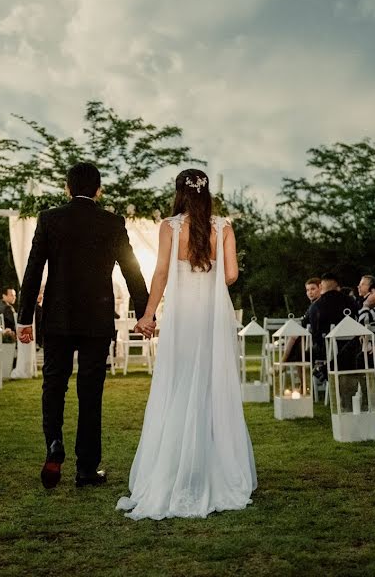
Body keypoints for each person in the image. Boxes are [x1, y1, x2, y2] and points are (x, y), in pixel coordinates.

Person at [117, 168, 256, 521]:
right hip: (211, 315)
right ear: (207, 194)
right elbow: (230, 275)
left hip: (182, 318)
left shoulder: (170, 227)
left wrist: (149, 314)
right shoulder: (223, 227)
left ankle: (175, 467)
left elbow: (161, 272)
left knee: (178, 383)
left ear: (179, 193)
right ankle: (213, 467)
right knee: (211, 385)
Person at [16, 161, 150, 489]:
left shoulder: (50, 219)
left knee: (53, 385)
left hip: (58, 319)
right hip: (97, 319)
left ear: (67, 188)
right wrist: (146, 313)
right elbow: (132, 270)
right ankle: (87, 469)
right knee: (90, 393)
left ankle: (53, 445)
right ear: (98, 190)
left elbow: (33, 270)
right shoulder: (111, 222)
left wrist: (23, 317)